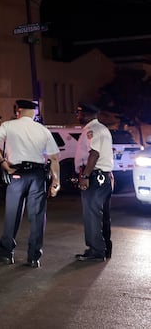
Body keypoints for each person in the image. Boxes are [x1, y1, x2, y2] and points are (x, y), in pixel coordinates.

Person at [0, 99, 61, 268]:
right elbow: (54, 157)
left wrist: (1, 162)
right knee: (37, 217)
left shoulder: (9, 126)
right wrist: (56, 181)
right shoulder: (43, 130)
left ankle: (6, 254)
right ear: (33, 113)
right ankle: (34, 257)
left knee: (12, 215)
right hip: (38, 175)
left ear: (17, 111)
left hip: (17, 173)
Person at [74, 102, 114, 261]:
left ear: (86, 114)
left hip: (94, 176)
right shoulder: (102, 129)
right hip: (103, 175)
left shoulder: (92, 130)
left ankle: (96, 251)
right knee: (103, 215)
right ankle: (104, 249)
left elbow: (94, 153)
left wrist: (85, 176)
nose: (77, 116)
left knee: (92, 214)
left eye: (79, 113)